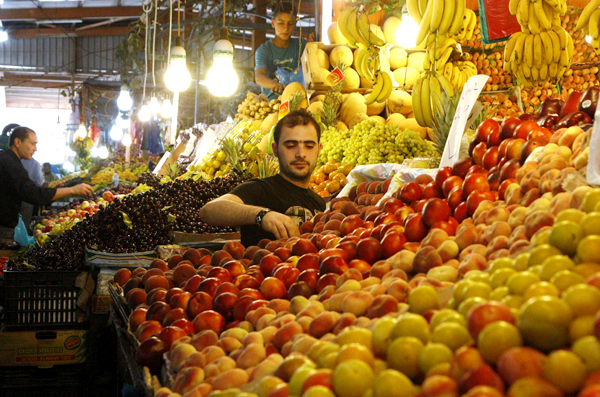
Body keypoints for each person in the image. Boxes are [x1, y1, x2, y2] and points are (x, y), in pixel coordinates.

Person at [200, 109, 325, 247]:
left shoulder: (319, 203)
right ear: (275, 149)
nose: (301, 154)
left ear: (319, 149)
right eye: (291, 146)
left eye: (309, 146)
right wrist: (262, 215)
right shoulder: (261, 190)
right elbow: (209, 211)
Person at [0, 127, 93, 241]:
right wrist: (73, 190)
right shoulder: (11, 165)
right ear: (18, 142)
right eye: (32, 144)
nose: (35, 149)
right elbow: (35, 194)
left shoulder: (6, 159)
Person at [255, 2, 308, 100]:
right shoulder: (264, 50)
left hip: (299, 104)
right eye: (281, 23)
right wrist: (274, 84)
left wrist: (314, 44)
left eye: (290, 23)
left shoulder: (302, 45)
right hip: (272, 106)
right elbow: (259, 77)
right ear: (272, 23)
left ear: (295, 24)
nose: (286, 28)